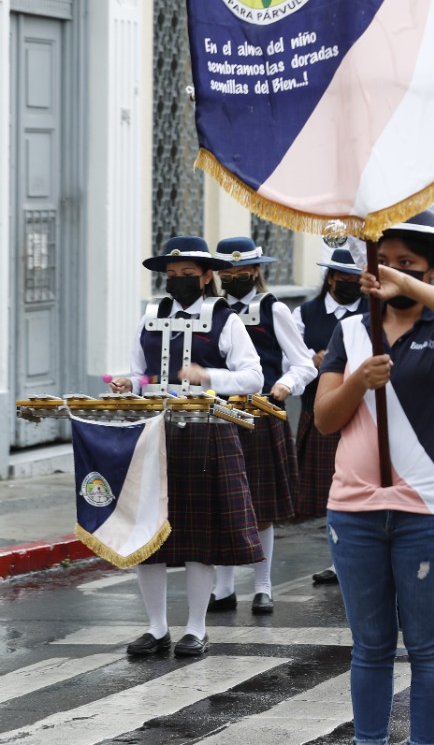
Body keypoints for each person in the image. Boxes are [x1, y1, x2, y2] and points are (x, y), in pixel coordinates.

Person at [314, 211, 434, 745]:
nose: (389, 273)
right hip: (355, 509)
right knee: (370, 646)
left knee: (428, 645)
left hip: (429, 512)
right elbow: (324, 418)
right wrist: (356, 384)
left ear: (433, 269)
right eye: (382, 262)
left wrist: (406, 283)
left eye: (407, 263)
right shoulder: (351, 329)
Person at [110, 236, 264, 658]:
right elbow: (141, 373)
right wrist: (130, 383)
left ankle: (196, 628)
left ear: (207, 276)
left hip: (206, 430)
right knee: (149, 529)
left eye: (187, 275)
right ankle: (156, 628)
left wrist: (207, 376)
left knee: (199, 531)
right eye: (172, 275)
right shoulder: (149, 316)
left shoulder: (225, 318)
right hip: (154, 431)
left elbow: (253, 377)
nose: (177, 281)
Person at [208, 237, 317, 615]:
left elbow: (304, 362)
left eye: (241, 272)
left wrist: (286, 385)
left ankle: (263, 584)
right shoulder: (211, 311)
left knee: (261, 505)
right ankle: (222, 588)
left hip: (261, 414)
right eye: (227, 273)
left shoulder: (273, 308)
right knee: (220, 500)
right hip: (216, 415)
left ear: (256, 271)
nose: (233, 278)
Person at [292, 248, 368, 586]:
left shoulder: (373, 312)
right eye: (345, 277)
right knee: (330, 490)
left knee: (364, 485)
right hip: (319, 408)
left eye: (357, 277)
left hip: (364, 413)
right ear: (331, 278)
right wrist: (311, 361)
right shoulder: (306, 312)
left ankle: (359, 556)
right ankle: (338, 559)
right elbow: (290, 359)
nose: (351, 283)